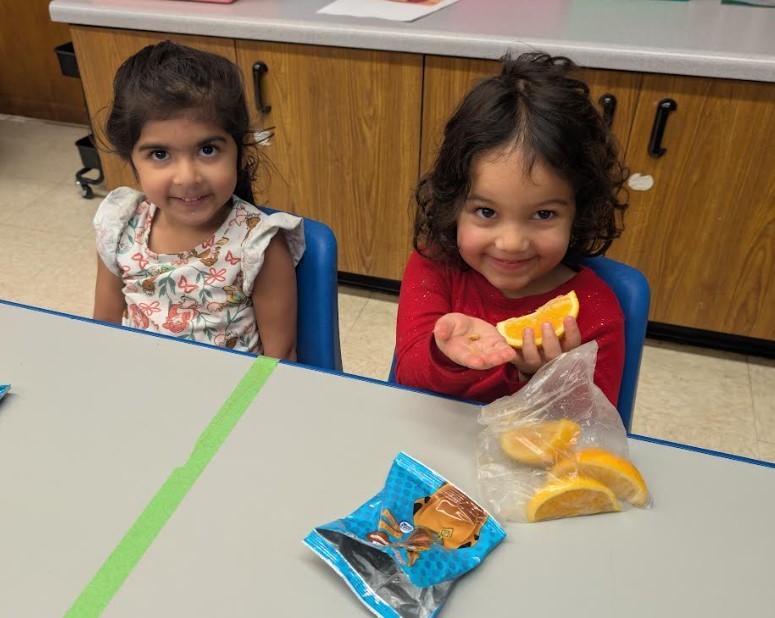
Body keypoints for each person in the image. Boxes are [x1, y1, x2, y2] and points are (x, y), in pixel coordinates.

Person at [395, 52, 628, 405]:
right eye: (487, 211)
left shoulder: (596, 311)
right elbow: (408, 374)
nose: (512, 243)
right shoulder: (434, 268)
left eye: (543, 214)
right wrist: (447, 356)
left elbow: (594, 429)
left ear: (579, 211)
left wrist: (542, 380)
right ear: (454, 203)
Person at [92, 41, 304, 359]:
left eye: (208, 149)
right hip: (139, 387)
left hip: (228, 402)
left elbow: (279, 358)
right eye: (160, 154)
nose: (187, 177)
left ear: (241, 154)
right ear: (132, 161)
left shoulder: (258, 245)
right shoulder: (120, 227)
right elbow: (102, 333)